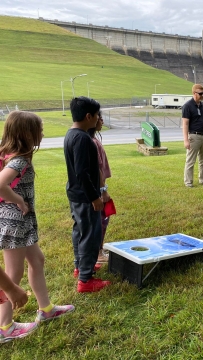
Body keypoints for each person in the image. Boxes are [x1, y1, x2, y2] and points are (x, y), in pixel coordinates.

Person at [0, 111, 74, 344]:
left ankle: (47, 309)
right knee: (13, 274)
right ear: (27, 133)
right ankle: (4, 327)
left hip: (22, 222)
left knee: (37, 260)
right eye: (39, 130)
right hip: (15, 221)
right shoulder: (19, 160)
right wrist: (18, 200)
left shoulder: (8, 153)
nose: (42, 134)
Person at [64, 97, 111, 293]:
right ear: (88, 116)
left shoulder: (71, 134)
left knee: (80, 230)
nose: (99, 119)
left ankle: (80, 267)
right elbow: (83, 172)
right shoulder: (83, 139)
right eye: (97, 115)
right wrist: (95, 197)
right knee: (91, 234)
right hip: (85, 196)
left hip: (75, 193)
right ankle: (85, 279)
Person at [87, 111, 111, 264]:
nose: (101, 120)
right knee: (100, 222)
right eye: (99, 117)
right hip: (97, 190)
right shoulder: (92, 142)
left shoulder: (93, 139)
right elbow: (97, 169)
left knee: (101, 221)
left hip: (97, 188)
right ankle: (97, 253)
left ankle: (98, 250)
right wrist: (103, 191)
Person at [182, 84, 203, 187]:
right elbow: (185, 124)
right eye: (200, 94)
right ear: (194, 93)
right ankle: (188, 182)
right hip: (193, 136)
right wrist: (186, 140)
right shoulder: (187, 106)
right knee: (190, 161)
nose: (202, 96)